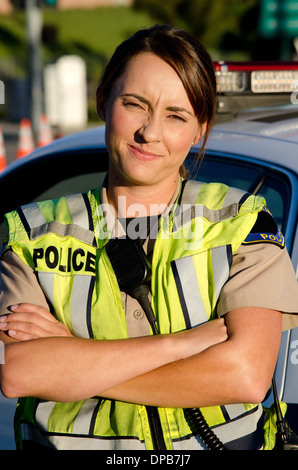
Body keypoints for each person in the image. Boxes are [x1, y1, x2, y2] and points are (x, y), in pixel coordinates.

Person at [1, 24, 298, 451]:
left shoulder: (244, 223)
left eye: (176, 116)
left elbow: (245, 376)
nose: (150, 132)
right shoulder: (30, 236)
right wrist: (183, 344)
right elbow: (20, 373)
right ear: (103, 100)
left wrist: (74, 359)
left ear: (199, 130)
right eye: (135, 104)